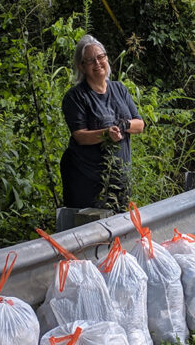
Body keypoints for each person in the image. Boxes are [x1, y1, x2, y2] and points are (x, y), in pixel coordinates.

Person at [59, 35, 145, 212]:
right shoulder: (75, 97)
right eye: (90, 60)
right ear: (81, 66)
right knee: (89, 233)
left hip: (119, 179)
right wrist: (106, 134)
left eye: (100, 57)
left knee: (119, 230)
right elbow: (80, 136)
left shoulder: (119, 89)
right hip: (87, 181)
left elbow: (140, 124)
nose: (97, 63)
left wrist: (124, 125)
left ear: (106, 58)